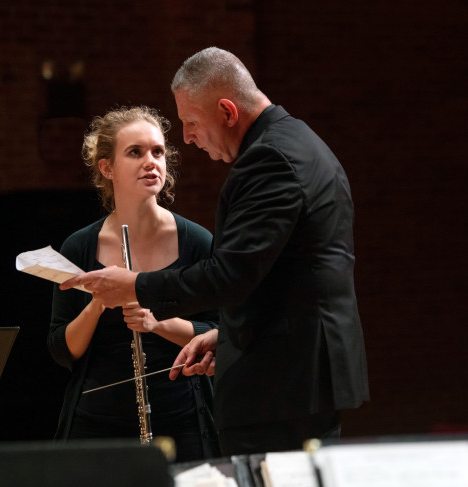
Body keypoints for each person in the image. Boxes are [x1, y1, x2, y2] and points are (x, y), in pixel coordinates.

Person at [60, 47, 369, 455]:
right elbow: (282, 276)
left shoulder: (268, 159)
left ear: (227, 111)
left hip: (283, 381)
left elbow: (229, 275)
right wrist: (226, 337)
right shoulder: (300, 142)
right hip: (297, 372)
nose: (186, 138)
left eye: (191, 123)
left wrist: (135, 286)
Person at [48, 106, 220, 461]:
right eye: (135, 152)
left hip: (181, 419)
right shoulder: (79, 247)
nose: (151, 161)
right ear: (107, 168)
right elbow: (62, 349)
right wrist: (98, 302)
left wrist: (157, 324)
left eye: (158, 151)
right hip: (96, 425)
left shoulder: (198, 242)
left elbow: (222, 332)